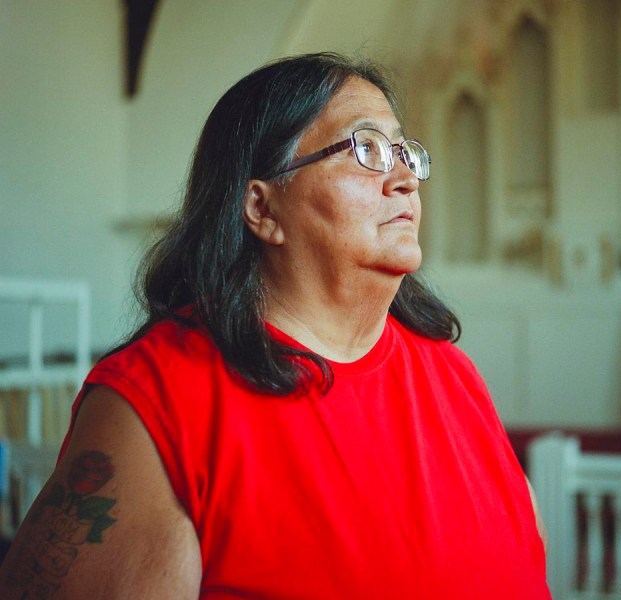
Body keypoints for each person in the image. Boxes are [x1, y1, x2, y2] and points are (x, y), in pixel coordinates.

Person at [0, 52, 550, 599]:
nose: (406, 178)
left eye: (404, 150)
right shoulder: (158, 397)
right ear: (262, 208)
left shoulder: (455, 374)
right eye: (367, 149)